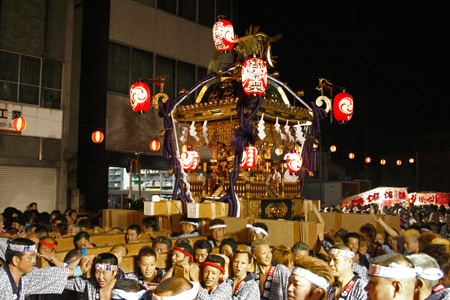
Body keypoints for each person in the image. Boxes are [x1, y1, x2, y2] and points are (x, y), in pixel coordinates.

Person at [0, 238, 89, 300]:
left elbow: (45, 274)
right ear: (15, 260)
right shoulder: (2, 282)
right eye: (30, 257)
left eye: (33, 256)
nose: (33, 261)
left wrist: (77, 270)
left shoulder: (22, 276)